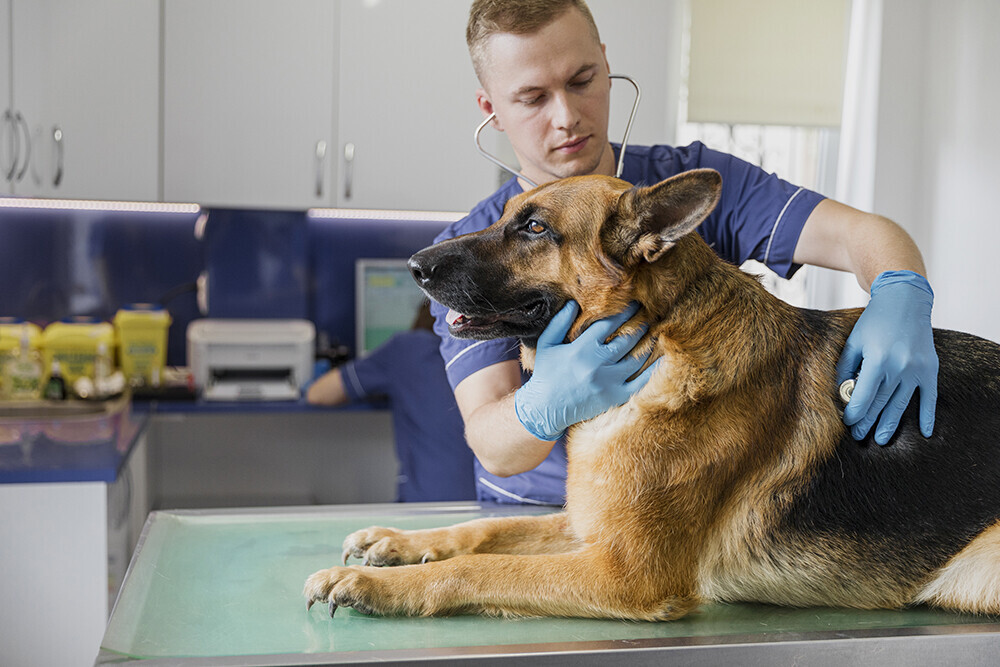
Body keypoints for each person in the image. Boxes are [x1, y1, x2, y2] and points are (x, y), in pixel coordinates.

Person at [430, 0, 938, 506]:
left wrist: (900, 292)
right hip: (535, 515)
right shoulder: (470, 252)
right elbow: (495, 446)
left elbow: (863, 233)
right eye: (532, 97)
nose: (566, 116)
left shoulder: (679, 191)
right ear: (491, 110)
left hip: (679, 505)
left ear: (607, 65)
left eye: (582, 80)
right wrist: (541, 406)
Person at [308, 301, 475, 502]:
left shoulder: (407, 348)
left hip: (426, 508)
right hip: (493, 505)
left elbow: (318, 394)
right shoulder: (493, 354)